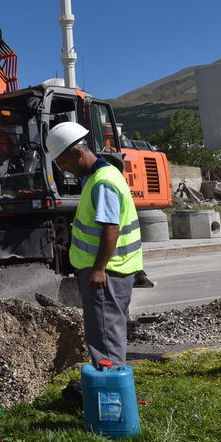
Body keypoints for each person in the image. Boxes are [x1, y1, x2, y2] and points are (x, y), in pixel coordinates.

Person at [46, 122, 142, 367]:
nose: (63, 169)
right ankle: (111, 389)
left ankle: (110, 394)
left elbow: (111, 228)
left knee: (105, 336)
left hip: (107, 272)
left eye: (64, 163)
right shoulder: (102, 175)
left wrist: (99, 268)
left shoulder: (102, 182)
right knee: (108, 331)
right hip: (114, 269)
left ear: (78, 152)